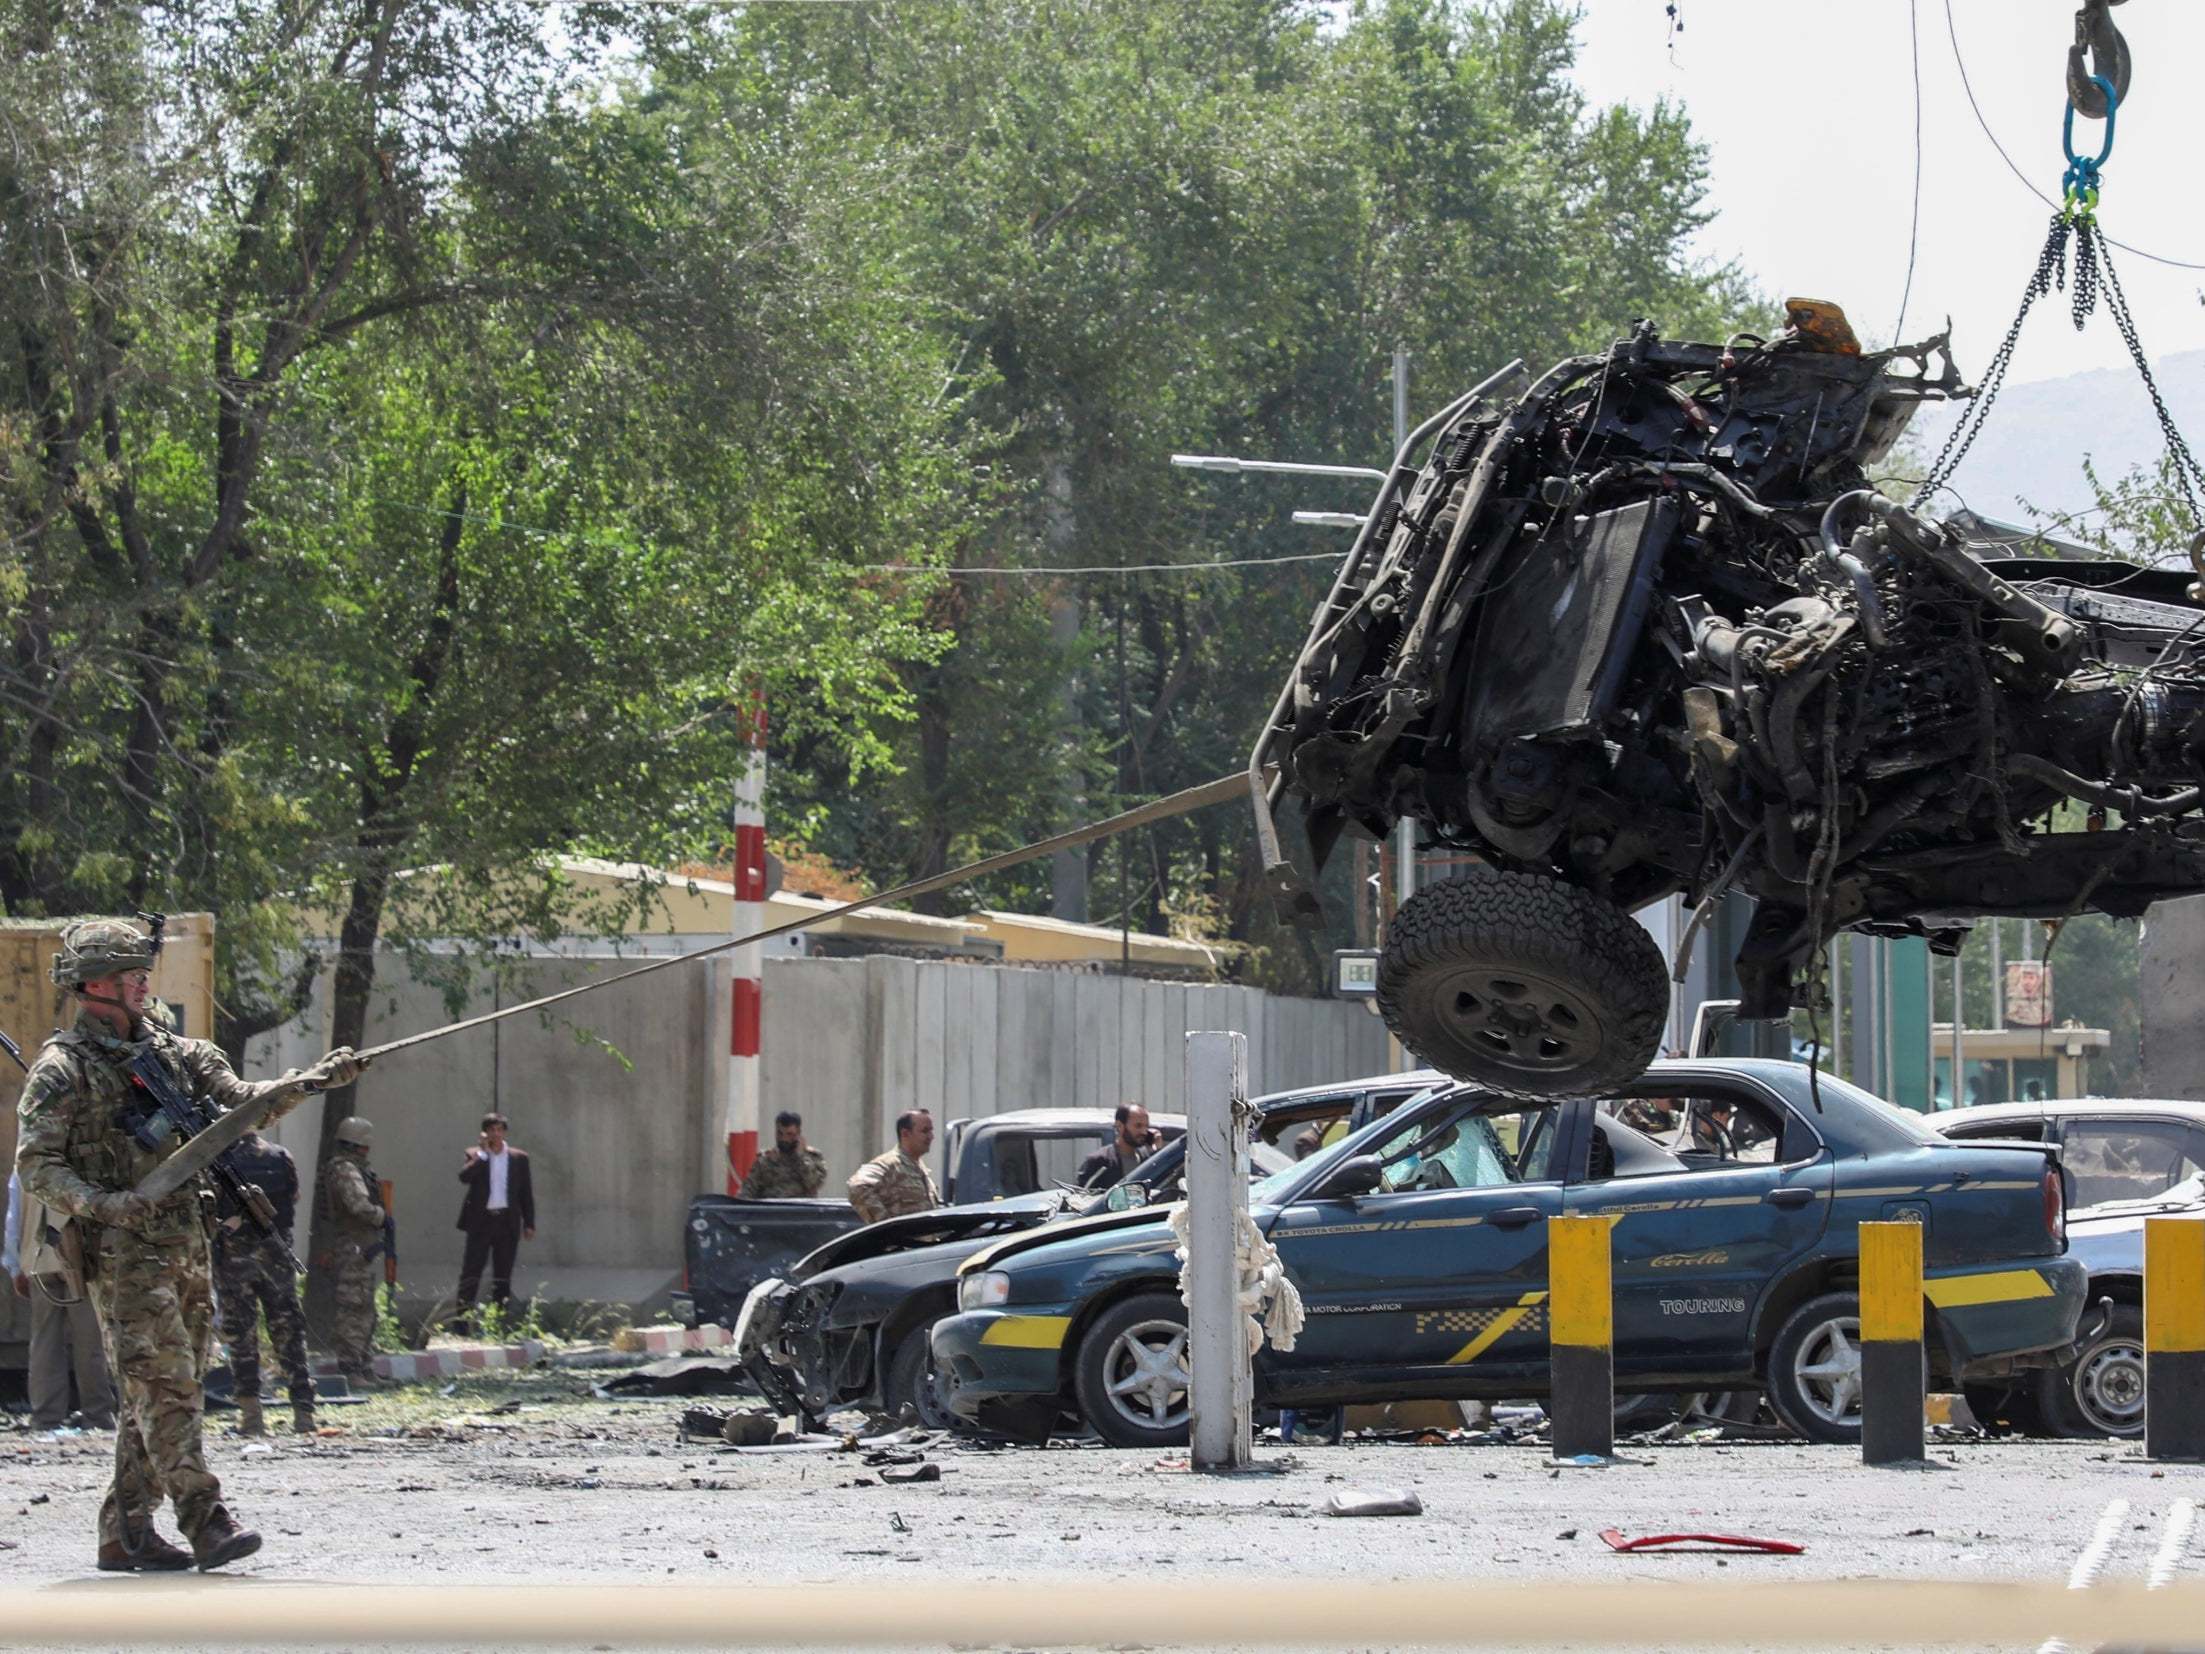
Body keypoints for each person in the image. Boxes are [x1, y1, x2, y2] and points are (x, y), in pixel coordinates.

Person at [14, 917, 363, 1571]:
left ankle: (123, 1534)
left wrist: (310, 1081)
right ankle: (207, 1519)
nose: (143, 984)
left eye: (143, 973)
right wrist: (105, 1203)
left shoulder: (177, 1054)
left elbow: (242, 1104)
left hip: (189, 1241)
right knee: (165, 1384)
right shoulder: (62, 1069)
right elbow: (37, 1166)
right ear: (93, 985)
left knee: (164, 1389)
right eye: (128, 975)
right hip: (122, 1252)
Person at [211, 1131, 314, 1435]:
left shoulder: (218, 1159)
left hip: (234, 1262)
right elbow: (293, 1197)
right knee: (289, 1332)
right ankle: (304, 1413)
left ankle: (251, 1416)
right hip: (276, 1257)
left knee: (241, 1337)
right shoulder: (281, 1156)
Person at [7, 1169, 116, 1431]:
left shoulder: (26, 1163)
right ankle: (97, 1414)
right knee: (89, 1341)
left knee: (45, 1342)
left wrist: (14, 1265)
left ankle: (46, 1417)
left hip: (38, 1258)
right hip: (81, 1258)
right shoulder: (80, 1156)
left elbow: (14, 1218)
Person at [316, 1117, 385, 1378]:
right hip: (351, 1246)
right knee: (353, 1309)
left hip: (356, 1245)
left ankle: (363, 1365)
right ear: (361, 1145)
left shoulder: (343, 1167)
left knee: (365, 1307)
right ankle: (350, 1367)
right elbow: (359, 1206)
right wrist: (380, 1215)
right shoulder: (345, 1169)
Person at [455, 1111, 535, 1325]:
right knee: (471, 1272)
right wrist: (483, 1154)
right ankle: (461, 1323)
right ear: (485, 1133)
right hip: (481, 1222)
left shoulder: (518, 1158)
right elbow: (464, 1177)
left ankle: (499, 1322)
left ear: (505, 1132)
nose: (496, 1134)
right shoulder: (475, 1154)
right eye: (492, 1130)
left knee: (503, 1274)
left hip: (506, 1222)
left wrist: (529, 1223)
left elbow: (525, 1192)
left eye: (499, 1130)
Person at [846, 1109, 940, 1223]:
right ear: (905, 1133)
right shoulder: (890, 1164)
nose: (931, 1136)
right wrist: (885, 1226)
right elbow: (858, 1187)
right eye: (925, 1131)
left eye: (931, 1131)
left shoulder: (921, 1170)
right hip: (901, 1240)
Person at [740, 1111, 828, 1199]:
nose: (784, 1139)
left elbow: (814, 1184)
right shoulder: (766, 1159)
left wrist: (801, 1157)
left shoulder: (813, 1157)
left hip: (800, 1210)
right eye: (780, 1133)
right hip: (770, 1210)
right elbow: (748, 1188)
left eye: (789, 1134)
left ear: (798, 1133)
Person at [1077, 1103, 1162, 1192]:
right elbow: (1082, 1197)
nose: (1144, 1132)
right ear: (1120, 1126)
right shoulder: (1099, 1161)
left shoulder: (1147, 1159)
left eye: (1146, 1126)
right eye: (1138, 1126)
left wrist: (1157, 1152)